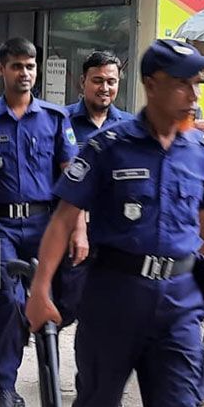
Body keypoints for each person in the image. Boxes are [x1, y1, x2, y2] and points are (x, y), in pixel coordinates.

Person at [25, 39, 204, 407]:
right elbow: (63, 219)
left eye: (196, 84)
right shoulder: (106, 148)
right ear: (152, 86)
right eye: (183, 85)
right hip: (114, 298)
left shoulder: (200, 150)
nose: (194, 96)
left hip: (178, 304)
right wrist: (41, 289)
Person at [0, 37, 79, 407]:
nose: (25, 73)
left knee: (70, 298)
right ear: (1, 70)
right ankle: (3, 388)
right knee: (11, 301)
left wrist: (78, 229)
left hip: (46, 224)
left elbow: (71, 177)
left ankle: (31, 332)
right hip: (2, 227)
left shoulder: (54, 118)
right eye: (17, 66)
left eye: (30, 66)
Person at [59, 51, 135, 323]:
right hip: (73, 230)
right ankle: (49, 361)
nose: (105, 88)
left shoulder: (130, 127)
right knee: (66, 306)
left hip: (115, 233)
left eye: (111, 81)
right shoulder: (62, 121)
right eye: (98, 80)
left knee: (108, 312)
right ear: (83, 82)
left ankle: (93, 365)